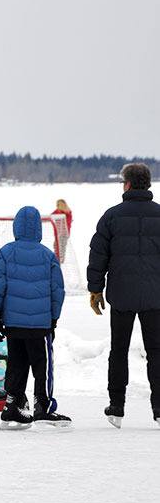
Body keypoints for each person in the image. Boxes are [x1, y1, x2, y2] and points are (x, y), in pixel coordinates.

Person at [87, 162, 160, 427]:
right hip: (155, 298)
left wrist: (95, 288)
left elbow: (98, 255)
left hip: (121, 296)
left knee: (119, 350)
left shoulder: (112, 216)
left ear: (127, 184)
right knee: (157, 352)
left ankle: (116, 407)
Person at [0, 205, 68, 429]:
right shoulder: (47, 255)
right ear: (38, 229)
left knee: (16, 363)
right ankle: (42, 406)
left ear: (16, 227)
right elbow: (57, 290)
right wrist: (54, 318)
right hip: (39, 325)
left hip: (13, 323)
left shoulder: (5, 252)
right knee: (41, 365)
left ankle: (12, 405)